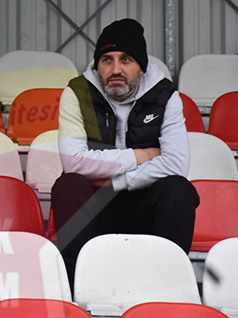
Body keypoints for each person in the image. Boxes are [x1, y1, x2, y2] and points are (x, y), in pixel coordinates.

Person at [51, 18, 199, 285]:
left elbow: (176, 163)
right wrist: (140, 156)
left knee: (178, 189)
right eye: (107, 60)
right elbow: (73, 162)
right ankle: (77, 285)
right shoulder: (77, 93)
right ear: (97, 65)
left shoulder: (165, 95)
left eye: (126, 59)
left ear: (141, 67)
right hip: (94, 206)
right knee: (68, 185)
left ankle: (168, 285)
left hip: (142, 204)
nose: (115, 69)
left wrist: (116, 181)